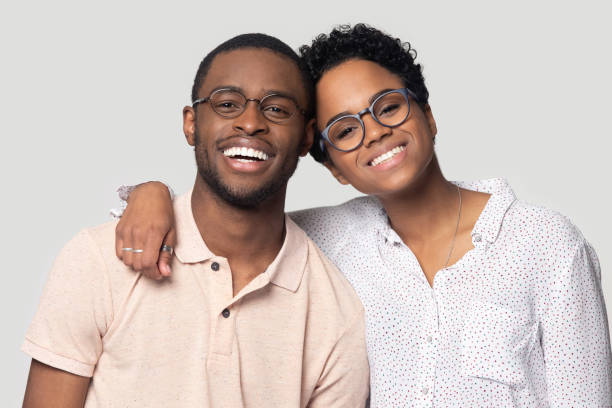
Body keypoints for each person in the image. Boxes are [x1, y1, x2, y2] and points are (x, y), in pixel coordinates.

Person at [117, 24, 612, 407]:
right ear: (334, 168)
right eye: (346, 130)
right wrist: (150, 192)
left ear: (428, 116)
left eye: (388, 107)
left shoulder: (544, 243)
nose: (373, 132)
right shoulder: (327, 240)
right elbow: (228, 219)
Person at [21, 33, 369, 408]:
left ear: (306, 137)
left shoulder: (337, 314)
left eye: (277, 109)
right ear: (191, 124)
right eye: (227, 104)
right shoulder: (99, 260)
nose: (250, 123)